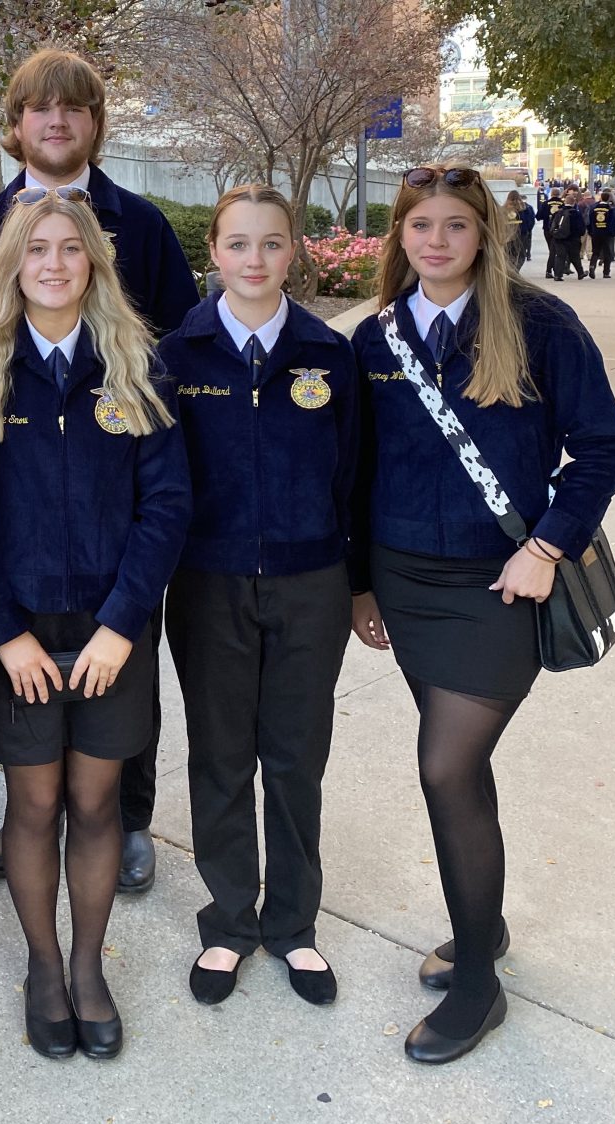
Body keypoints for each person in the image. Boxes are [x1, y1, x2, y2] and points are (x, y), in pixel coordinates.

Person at [350, 165, 615, 1064]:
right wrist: (361, 581)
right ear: (400, 236)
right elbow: (356, 474)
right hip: (404, 580)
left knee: (445, 767)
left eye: (456, 226)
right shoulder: (375, 338)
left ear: (485, 234)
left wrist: (546, 547)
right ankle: (489, 927)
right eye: (420, 226)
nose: (437, 241)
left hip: (501, 587)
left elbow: (603, 447)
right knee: (461, 771)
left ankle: (478, 981)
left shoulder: (540, 324)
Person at [0, 48, 200, 893]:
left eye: (74, 108)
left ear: (94, 122)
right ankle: (28, 815)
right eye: (39, 108)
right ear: (15, 124)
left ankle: (126, 817)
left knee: (118, 705)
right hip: (19, 547)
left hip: (114, 484)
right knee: (34, 768)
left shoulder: (143, 223)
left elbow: (176, 350)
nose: (57, 121)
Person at [0, 191, 190, 1059]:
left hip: (110, 632)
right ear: (11, 264)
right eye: (36, 249)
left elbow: (166, 506)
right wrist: (3, 632)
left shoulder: (137, 366)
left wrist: (124, 625)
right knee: (35, 799)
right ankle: (43, 966)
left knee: (95, 804)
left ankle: (90, 966)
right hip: (15, 632)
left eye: (70, 249)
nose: (53, 264)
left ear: (95, 261)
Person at [158, 185, 357, 1008]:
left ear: (294, 252)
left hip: (312, 584)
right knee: (222, 755)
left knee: (296, 756)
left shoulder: (328, 353)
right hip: (208, 585)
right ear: (214, 250)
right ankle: (233, 922)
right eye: (238, 244)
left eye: (271, 244)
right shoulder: (178, 355)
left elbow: (356, 474)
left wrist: (359, 582)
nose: (254, 260)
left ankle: (294, 925)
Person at [551, 185, 586, 281]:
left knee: (560, 256)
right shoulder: (576, 213)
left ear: (565, 202)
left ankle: (558, 275)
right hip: (573, 239)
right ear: (574, 202)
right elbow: (581, 227)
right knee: (575, 257)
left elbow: (552, 224)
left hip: (560, 238)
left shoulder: (559, 212)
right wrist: (580, 234)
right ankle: (580, 273)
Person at [588, 190, 615, 278]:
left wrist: (591, 231)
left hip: (596, 233)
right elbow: (612, 223)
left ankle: (592, 267)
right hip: (606, 234)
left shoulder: (593, 208)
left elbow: (589, 222)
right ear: (609, 199)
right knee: (607, 253)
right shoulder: (610, 209)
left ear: (601, 198)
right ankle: (606, 272)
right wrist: (612, 234)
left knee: (595, 252)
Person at [536, 187, 563, 278]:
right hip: (559, 230)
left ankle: (552, 270)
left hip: (547, 229)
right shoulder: (562, 203)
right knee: (555, 250)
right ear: (559, 194)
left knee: (552, 249)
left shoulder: (545, 203)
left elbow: (538, 216)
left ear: (551, 194)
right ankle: (552, 270)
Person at [502, 191, 527, 270]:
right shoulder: (524, 208)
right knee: (521, 255)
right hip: (521, 235)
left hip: (507, 236)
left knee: (508, 255)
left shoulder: (503, 209)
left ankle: (510, 271)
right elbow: (530, 221)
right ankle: (515, 271)